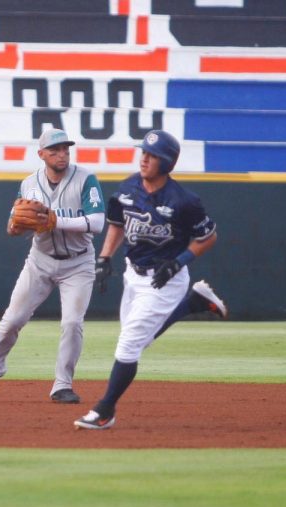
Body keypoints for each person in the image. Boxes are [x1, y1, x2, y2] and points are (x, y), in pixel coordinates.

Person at [74, 129, 225, 430]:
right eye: (143, 152)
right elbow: (117, 223)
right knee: (137, 342)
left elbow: (208, 237)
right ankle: (195, 303)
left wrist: (181, 260)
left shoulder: (184, 201)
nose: (144, 158)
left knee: (128, 346)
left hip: (165, 280)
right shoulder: (128, 187)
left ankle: (105, 411)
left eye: (152, 155)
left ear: (166, 163)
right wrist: (105, 257)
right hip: (134, 275)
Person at [0, 128, 106, 404]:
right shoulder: (29, 184)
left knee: (71, 323)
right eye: (55, 150)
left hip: (79, 263)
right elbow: (13, 225)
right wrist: (16, 227)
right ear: (41, 154)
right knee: (12, 320)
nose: (62, 154)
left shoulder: (85, 179)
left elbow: (97, 223)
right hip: (40, 262)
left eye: (66, 149)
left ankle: (62, 385)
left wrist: (56, 220)